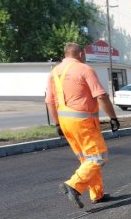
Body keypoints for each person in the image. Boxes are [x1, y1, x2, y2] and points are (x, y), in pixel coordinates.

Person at [45, 42, 120, 209]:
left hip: (65, 122)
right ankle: (73, 185)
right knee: (98, 157)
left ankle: (97, 194)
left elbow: (50, 102)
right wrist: (113, 118)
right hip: (83, 121)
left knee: (87, 159)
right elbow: (101, 96)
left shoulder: (54, 73)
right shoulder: (84, 69)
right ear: (80, 54)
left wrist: (57, 123)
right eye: (84, 54)